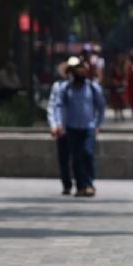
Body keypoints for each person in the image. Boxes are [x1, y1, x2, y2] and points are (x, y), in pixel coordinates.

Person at [50, 57, 106, 197]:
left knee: (87, 154)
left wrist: (98, 124)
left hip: (88, 127)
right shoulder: (65, 88)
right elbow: (57, 106)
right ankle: (81, 186)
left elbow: (101, 106)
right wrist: (57, 123)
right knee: (75, 157)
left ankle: (89, 183)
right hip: (71, 127)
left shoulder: (92, 87)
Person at [46, 57, 79, 195]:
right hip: (62, 128)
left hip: (78, 127)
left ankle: (81, 183)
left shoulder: (84, 86)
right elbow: (52, 106)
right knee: (64, 158)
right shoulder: (58, 86)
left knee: (79, 157)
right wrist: (54, 125)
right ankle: (67, 184)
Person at [105, 54, 127, 121]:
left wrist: (123, 82)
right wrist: (114, 82)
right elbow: (110, 77)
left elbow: (125, 76)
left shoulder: (123, 67)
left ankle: (121, 114)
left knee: (121, 101)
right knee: (115, 101)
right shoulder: (112, 67)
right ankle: (116, 115)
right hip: (114, 87)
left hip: (121, 86)